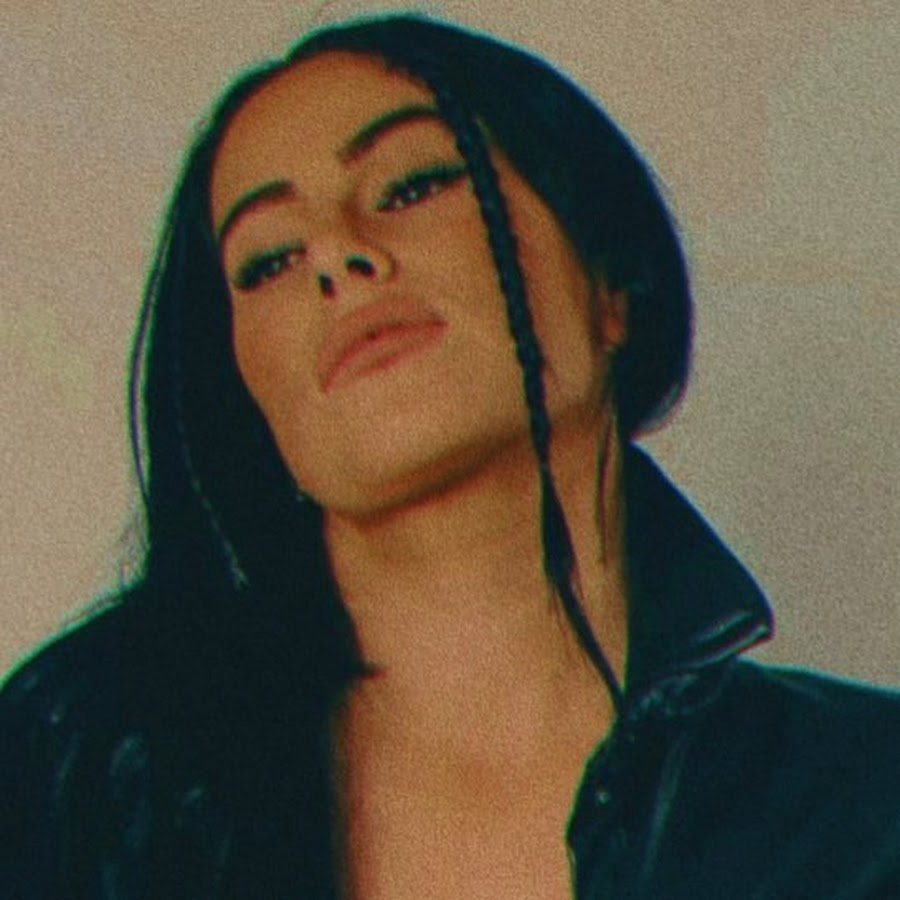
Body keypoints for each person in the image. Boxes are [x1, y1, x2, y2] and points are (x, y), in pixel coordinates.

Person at [1, 13, 898, 900]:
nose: (338, 257)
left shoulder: (865, 805)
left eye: (412, 186)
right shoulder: (71, 769)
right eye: (269, 260)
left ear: (612, 285)